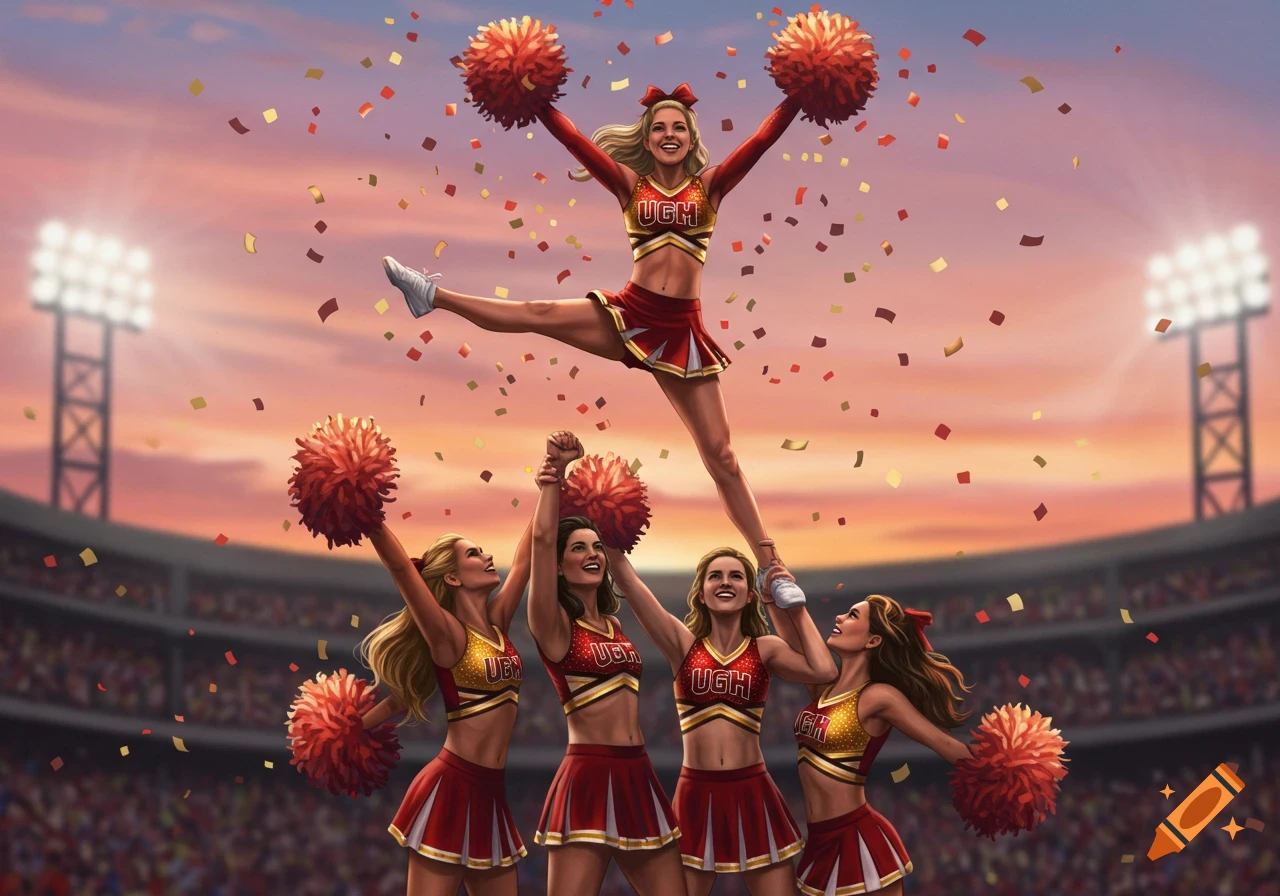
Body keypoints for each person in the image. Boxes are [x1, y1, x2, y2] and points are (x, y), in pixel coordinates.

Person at [381, 81, 807, 593]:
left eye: (678, 128)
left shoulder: (710, 187)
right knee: (536, 311)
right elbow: (577, 143)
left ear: (691, 139)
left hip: (681, 331)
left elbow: (759, 143)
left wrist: (799, 95)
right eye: (659, 128)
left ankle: (771, 566)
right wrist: (535, 101)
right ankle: (431, 296)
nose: (669, 135)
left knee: (721, 456)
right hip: (630, 313)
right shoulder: (630, 186)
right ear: (647, 140)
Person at [605, 544, 836, 896]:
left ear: (749, 595)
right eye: (716, 576)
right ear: (700, 593)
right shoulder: (682, 644)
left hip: (753, 790)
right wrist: (609, 537)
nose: (725, 582)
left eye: (736, 576)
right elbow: (631, 584)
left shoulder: (766, 647)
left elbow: (824, 670)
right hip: (695, 792)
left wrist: (796, 608)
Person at [526, 431, 687, 896]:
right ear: (558, 566)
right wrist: (554, 476)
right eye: (577, 548)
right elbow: (540, 540)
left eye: (596, 546)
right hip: (589, 776)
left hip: (639, 772)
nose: (592, 554)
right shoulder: (553, 625)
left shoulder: (615, 624)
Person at [356, 505, 538, 896]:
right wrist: (369, 518)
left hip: (492, 792)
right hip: (451, 787)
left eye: (483, 550)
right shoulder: (446, 634)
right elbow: (404, 571)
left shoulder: (498, 624)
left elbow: (526, 557)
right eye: (474, 553)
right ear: (452, 577)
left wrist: (553, 479)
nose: (488, 556)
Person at [776, 595, 973, 896]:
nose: (839, 618)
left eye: (853, 615)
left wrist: (1008, 769)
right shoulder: (824, 689)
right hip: (817, 840)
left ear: (872, 640)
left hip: (857, 840)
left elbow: (943, 743)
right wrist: (775, 596)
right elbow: (797, 641)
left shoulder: (879, 696)